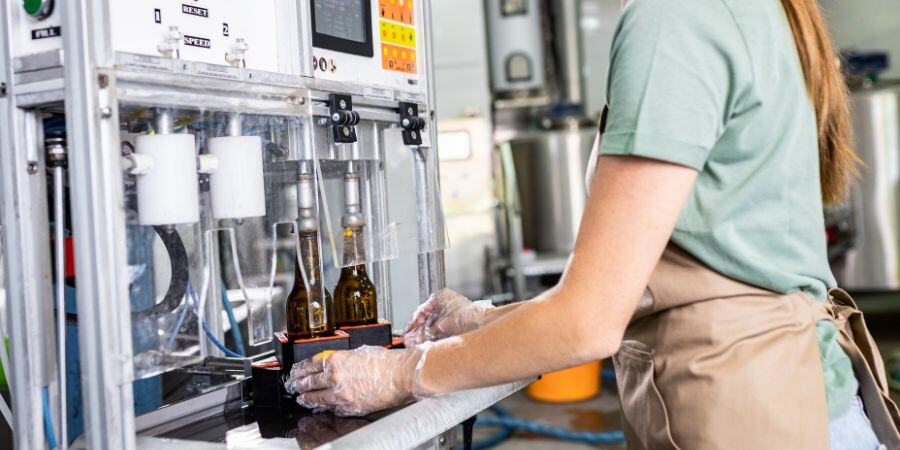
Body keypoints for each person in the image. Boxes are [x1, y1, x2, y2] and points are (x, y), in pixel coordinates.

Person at [284, 0, 900, 447]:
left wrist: (399, 373)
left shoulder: (676, 17)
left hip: (748, 415)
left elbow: (589, 321)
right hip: (807, 404)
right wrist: (486, 321)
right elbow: (675, 271)